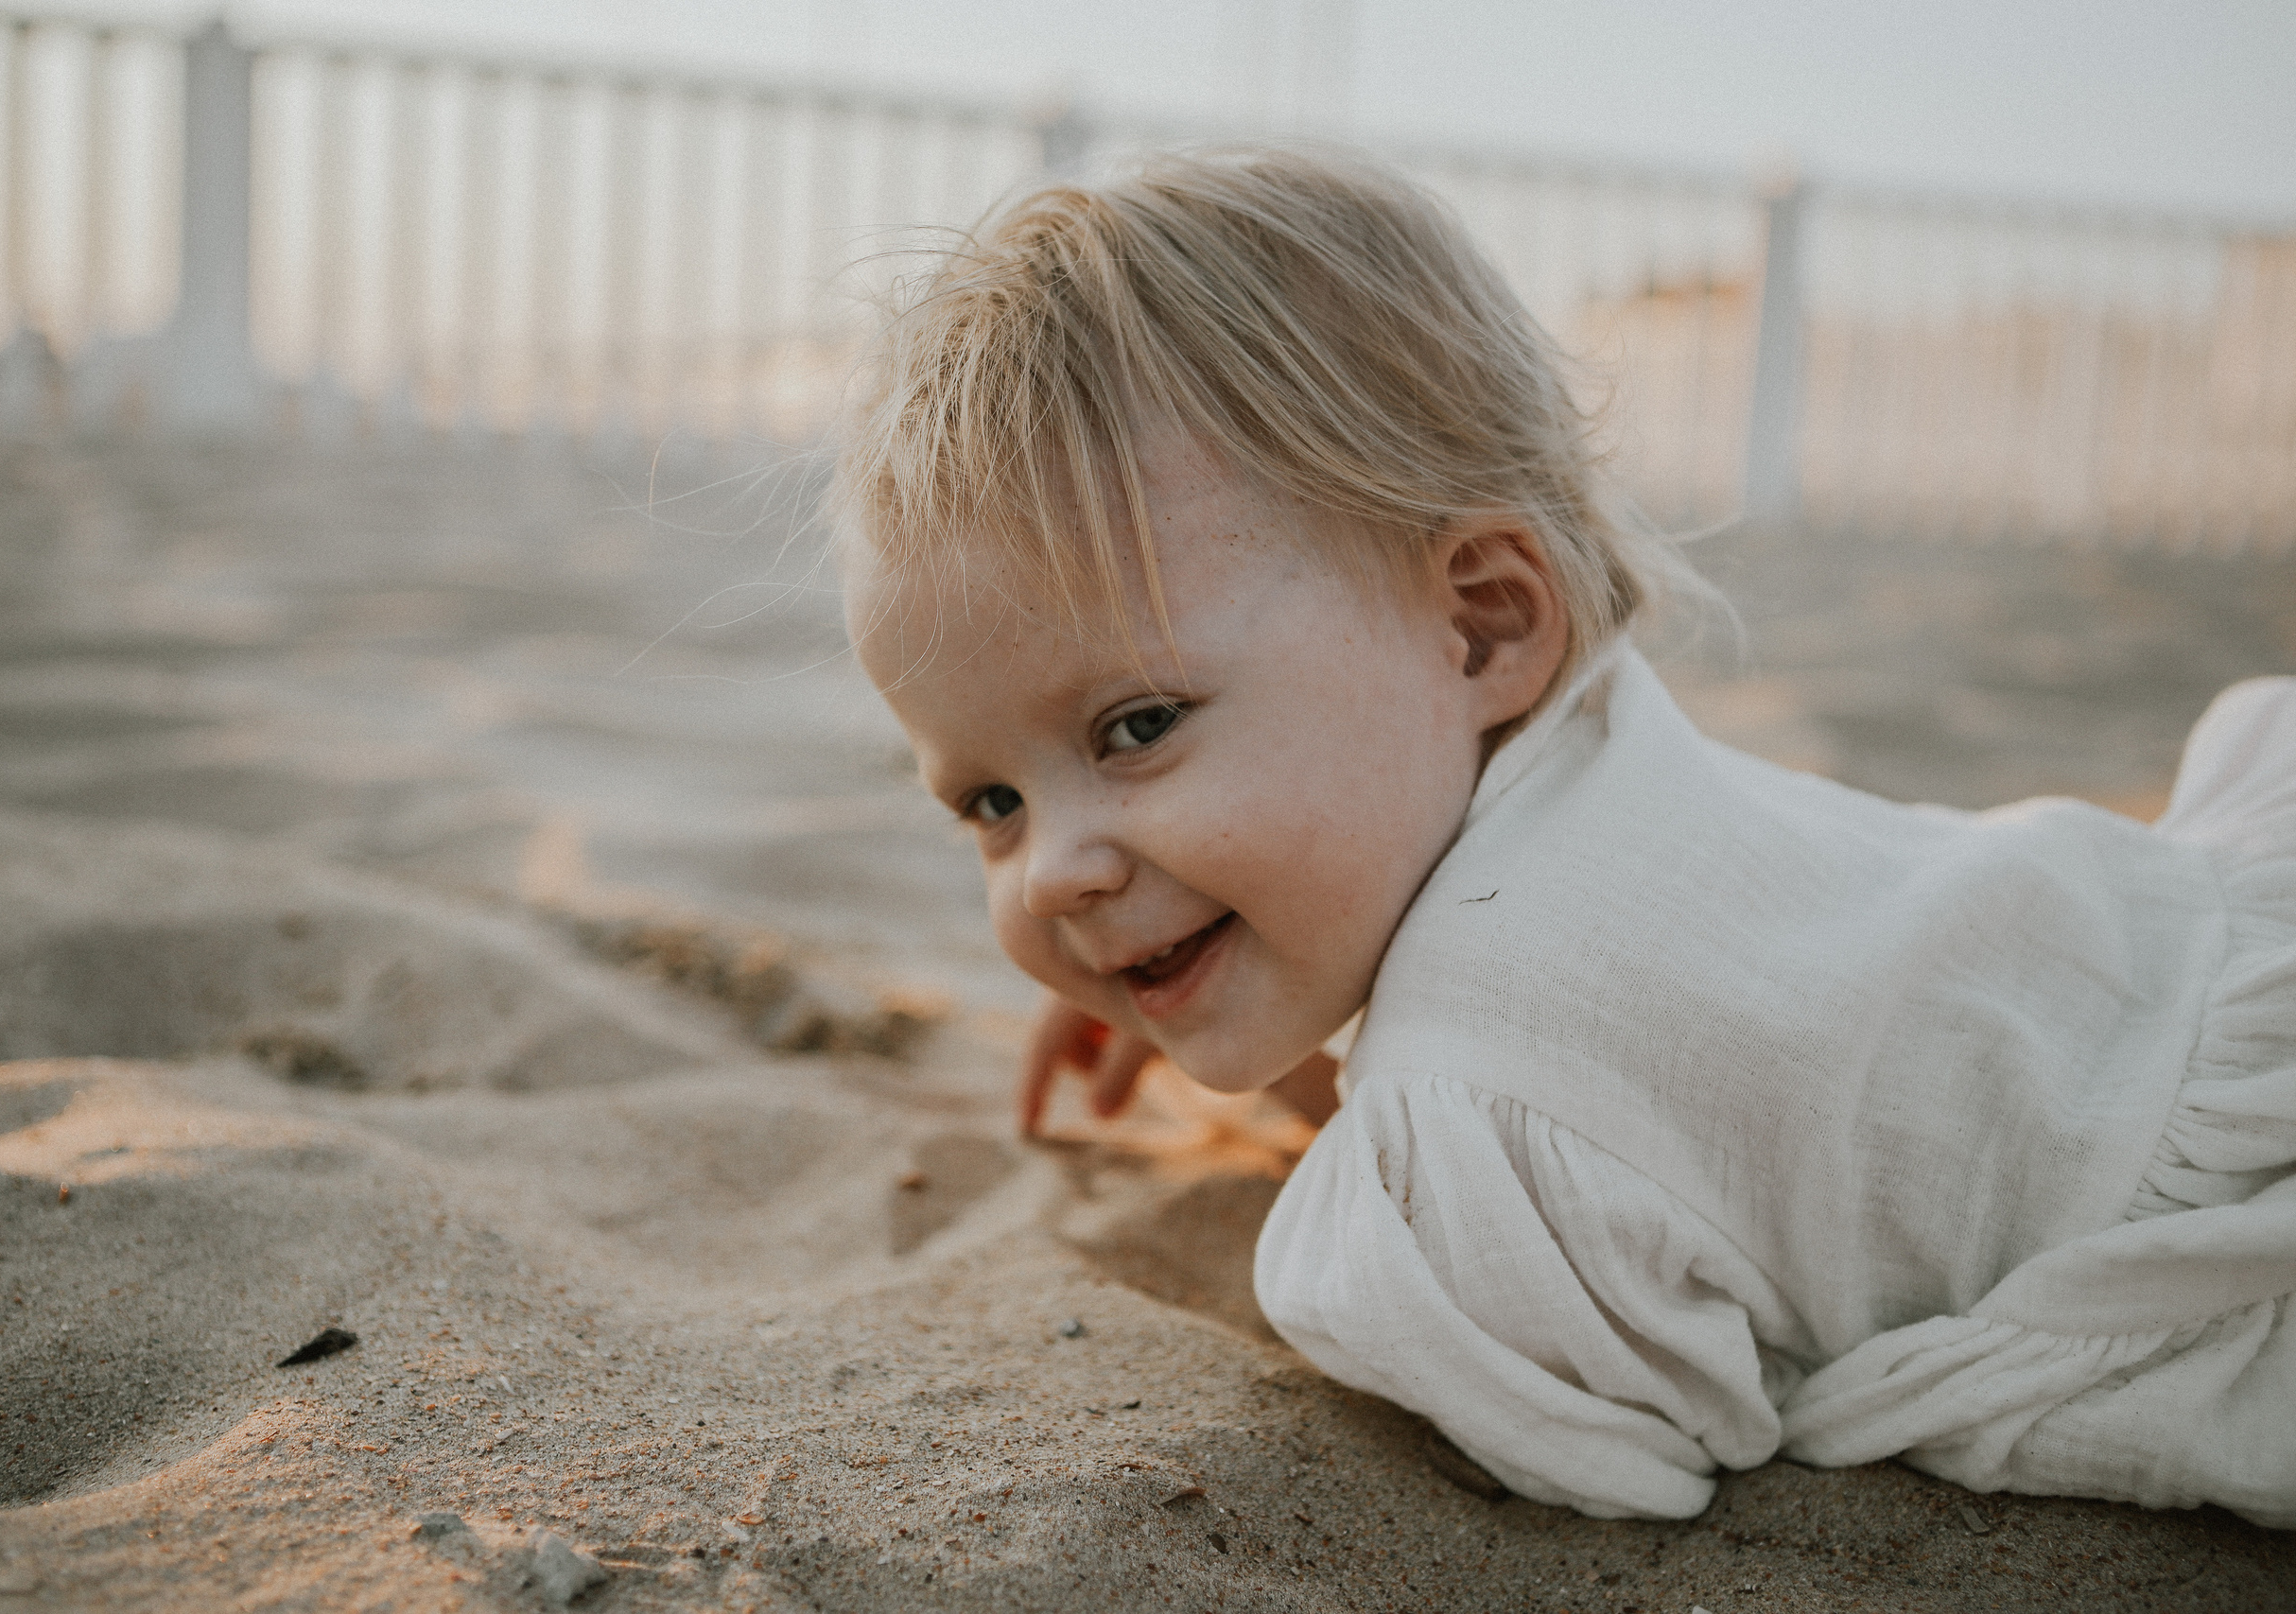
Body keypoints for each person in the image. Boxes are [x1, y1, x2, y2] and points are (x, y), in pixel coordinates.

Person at [829, 146, 2296, 1525]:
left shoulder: (1473, 1103)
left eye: (1137, 727)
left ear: (1483, 622)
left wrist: (1355, 1115)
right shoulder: (1590, 761)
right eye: (991, 805)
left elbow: (1630, 1444)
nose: (1059, 870)